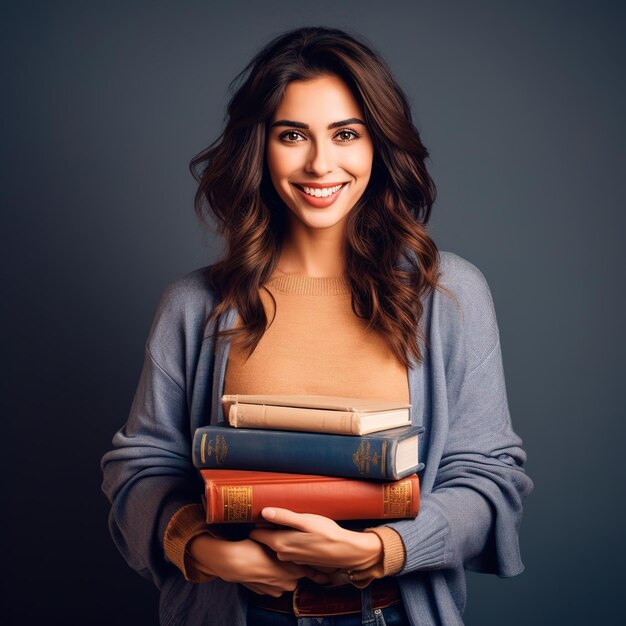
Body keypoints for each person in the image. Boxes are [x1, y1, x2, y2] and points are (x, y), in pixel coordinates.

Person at [101, 26, 533, 626]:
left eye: (346, 134)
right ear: (261, 147)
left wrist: (382, 551)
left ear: (378, 145)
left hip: (389, 614)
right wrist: (208, 551)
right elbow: (139, 467)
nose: (319, 163)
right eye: (293, 135)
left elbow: (488, 476)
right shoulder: (194, 304)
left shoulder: (449, 294)